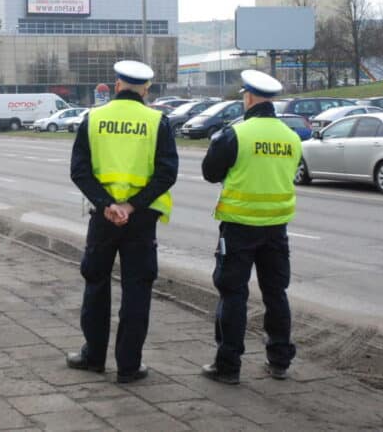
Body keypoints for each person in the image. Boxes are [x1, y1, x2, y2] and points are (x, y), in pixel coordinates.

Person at [67, 60, 178, 383]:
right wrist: (131, 206)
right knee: (137, 290)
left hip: (103, 220)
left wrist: (106, 205)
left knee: (96, 283)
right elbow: (166, 172)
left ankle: (94, 356)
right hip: (141, 220)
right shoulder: (158, 121)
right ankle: (129, 367)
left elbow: (79, 170)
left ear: (117, 85)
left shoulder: (94, 118)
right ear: (146, 89)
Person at [200, 69, 302, 385]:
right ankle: (279, 361)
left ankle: (228, 366)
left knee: (233, 295)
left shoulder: (236, 134)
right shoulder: (291, 137)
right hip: (276, 228)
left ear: (248, 97)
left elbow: (210, 172)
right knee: (276, 293)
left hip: (239, 227)